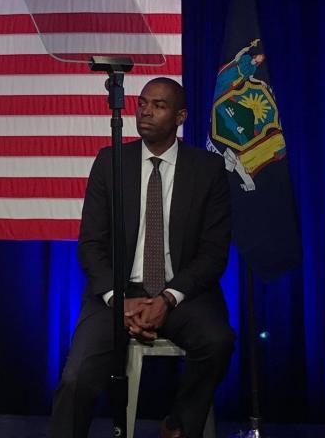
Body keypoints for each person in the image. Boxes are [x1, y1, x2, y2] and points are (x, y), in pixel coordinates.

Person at [51, 77, 234, 438]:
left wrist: (168, 298)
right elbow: (90, 244)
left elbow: (214, 254)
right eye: (142, 103)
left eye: (159, 105)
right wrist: (118, 299)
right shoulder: (110, 162)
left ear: (181, 116)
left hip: (181, 293)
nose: (146, 111)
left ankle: (178, 424)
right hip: (116, 294)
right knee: (75, 376)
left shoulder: (207, 170)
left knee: (218, 342)